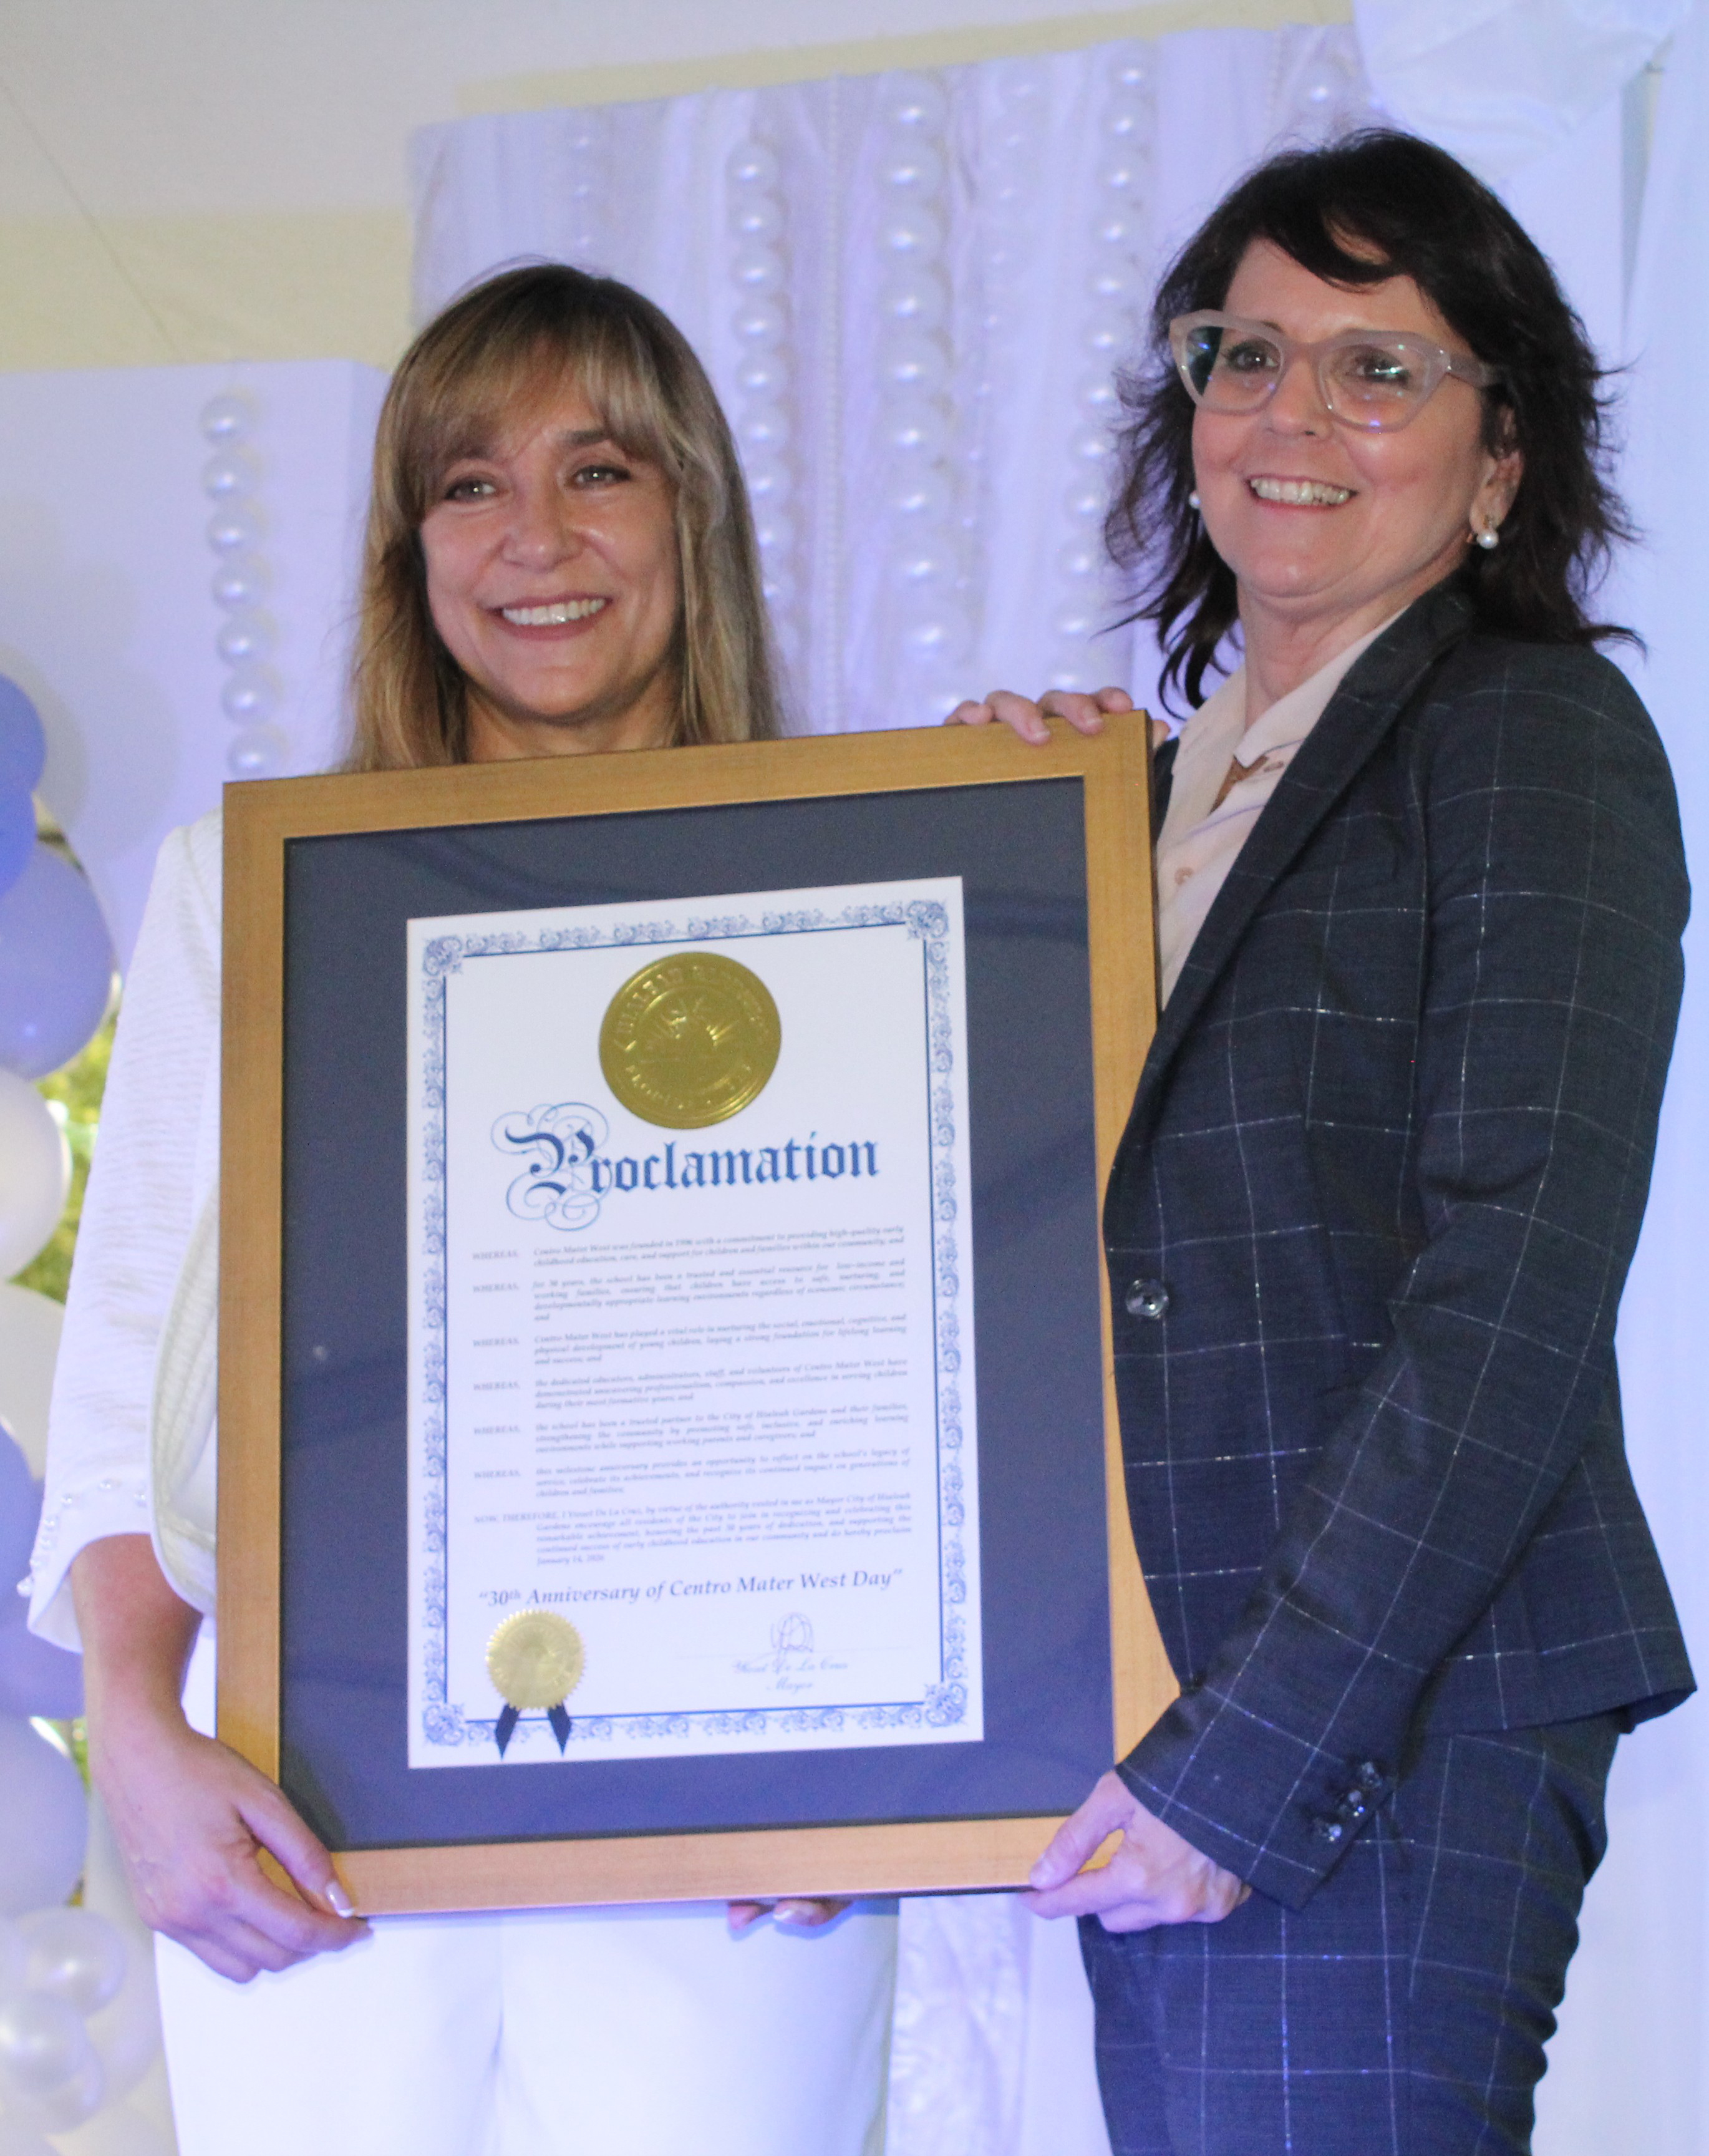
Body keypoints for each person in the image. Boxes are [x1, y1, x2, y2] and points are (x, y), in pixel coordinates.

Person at [26, 265, 894, 2156]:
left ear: (694, 516)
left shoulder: (871, 880)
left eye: (602, 471)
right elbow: (127, 1365)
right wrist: (141, 1746)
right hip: (311, 1815)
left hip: (743, 1822)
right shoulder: (237, 888)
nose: (538, 540)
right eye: (468, 485)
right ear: (406, 547)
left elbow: (940, 1336)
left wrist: (919, 1758)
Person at [954, 130, 1693, 2154]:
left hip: (1377, 1726)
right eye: (1244, 353)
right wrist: (991, 859)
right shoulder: (1148, 804)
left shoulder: (1529, 734)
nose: (1293, 414)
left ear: (1497, 463)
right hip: (1164, 1705)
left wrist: (1248, 1762)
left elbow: (1513, 1287)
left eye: (1380, 369)